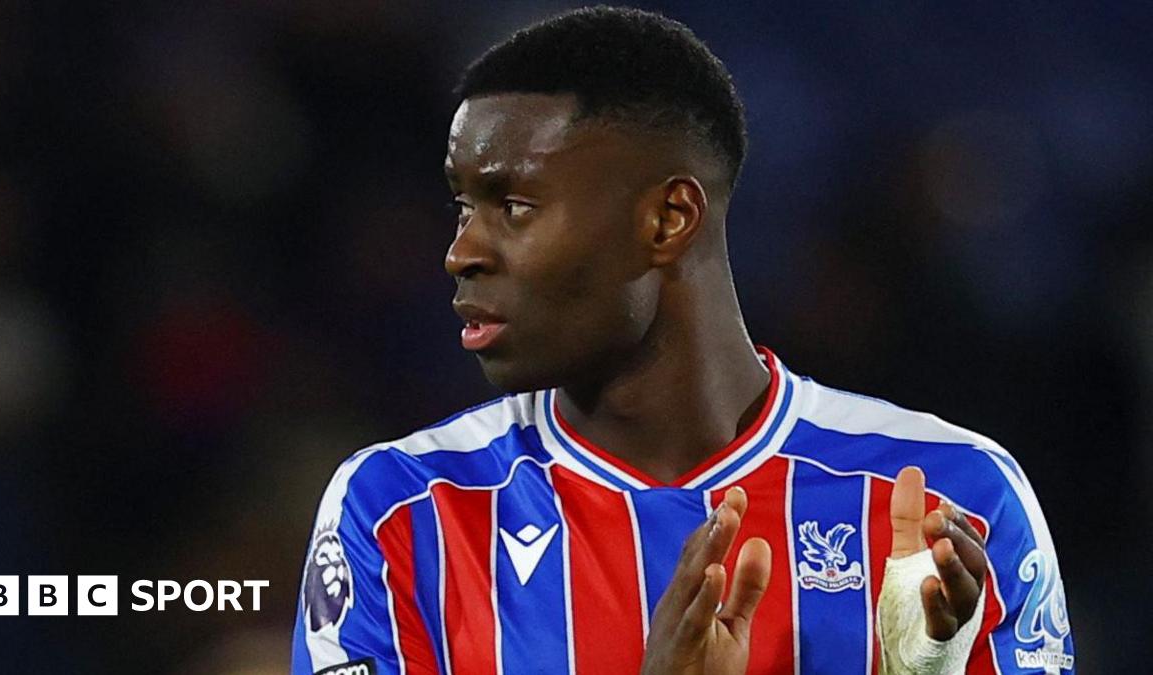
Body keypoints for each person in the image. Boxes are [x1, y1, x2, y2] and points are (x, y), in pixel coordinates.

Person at [291, 7, 1074, 674]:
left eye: (514, 205)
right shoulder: (401, 512)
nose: (461, 252)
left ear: (669, 220)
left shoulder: (955, 497)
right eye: (464, 206)